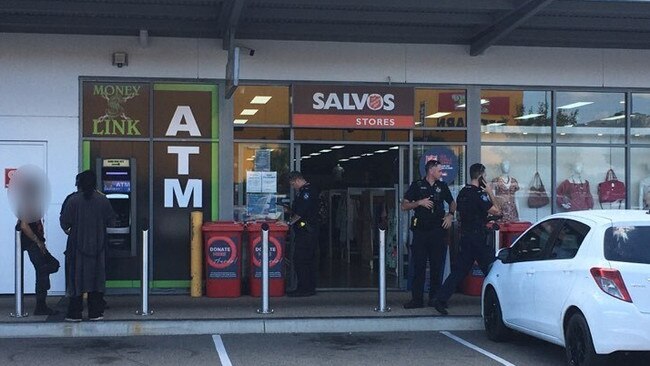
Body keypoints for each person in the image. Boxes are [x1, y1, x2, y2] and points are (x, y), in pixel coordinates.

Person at [432, 163, 501, 315]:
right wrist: (490, 192)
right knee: (493, 269)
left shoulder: (463, 192)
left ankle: (440, 299)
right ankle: (499, 302)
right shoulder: (479, 194)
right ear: (481, 176)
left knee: (460, 270)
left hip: (466, 236)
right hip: (478, 238)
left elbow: (461, 212)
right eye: (485, 175)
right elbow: (497, 210)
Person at [59, 170, 115, 321]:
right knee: (97, 279)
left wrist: (70, 231)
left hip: (77, 248)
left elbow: (64, 222)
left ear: (79, 184)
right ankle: (95, 312)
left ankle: (75, 313)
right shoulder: (103, 200)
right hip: (98, 246)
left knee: (76, 279)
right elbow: (111, 221)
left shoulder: (73, 200)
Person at [402, 160, 456, 309]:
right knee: (418, 266)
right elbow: (404, 205)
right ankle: (417, 299)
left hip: (437, 231)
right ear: (431, 171)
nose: (441, 173)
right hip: (420, 231)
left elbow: (452, 202)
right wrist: (419, 203)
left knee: (436, 266)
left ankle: (435, 298)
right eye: (439, 171)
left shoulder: (442, 186)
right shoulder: (417, 185)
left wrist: (450, 215)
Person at [286, 171, 320, 297]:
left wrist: (289, 223)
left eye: (292, 184)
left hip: (307, 231)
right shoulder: (305, 191)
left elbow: (301, 212)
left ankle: (305, 288)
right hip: (305, 231)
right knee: (305, 260)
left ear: (297, 180)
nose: (293, 187)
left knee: (301, 259)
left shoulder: (307, 192)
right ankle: (307, 287)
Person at [16, 218, 58, 315]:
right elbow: (23, 225)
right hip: (33, 243)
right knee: (43, 270)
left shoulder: (33, 209)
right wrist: (37, 241)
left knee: (49, 267)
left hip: (36, 242)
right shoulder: (28, 208)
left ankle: (41, 304)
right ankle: (41, 306)